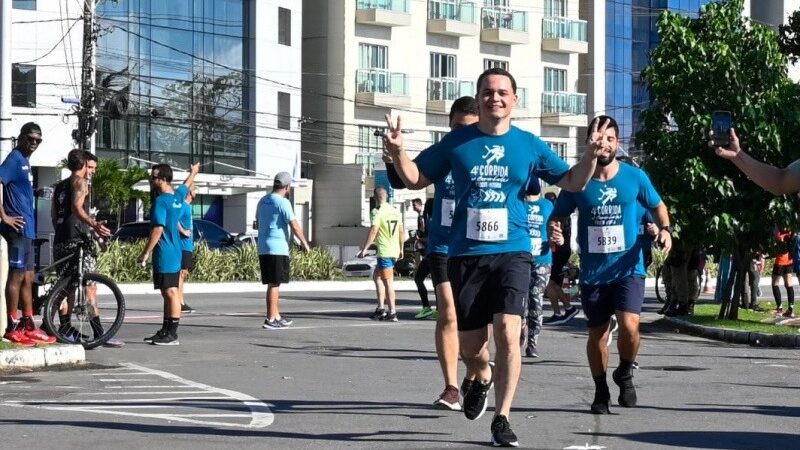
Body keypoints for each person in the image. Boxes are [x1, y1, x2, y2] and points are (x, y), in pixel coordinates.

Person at [386, 68, 601, 447]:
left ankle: (502, 417)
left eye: (503, 92)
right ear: (480, 97)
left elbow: (572, 182)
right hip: (466, 255)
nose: (495, 98)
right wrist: (398, 152)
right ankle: (481, 375)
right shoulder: (457, 143)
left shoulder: (529, 144)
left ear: (515, 100)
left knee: (508, 331)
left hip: (513, 252)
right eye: (488, 92)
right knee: (472, 348)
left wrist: (590, 156)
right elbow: (416, 178)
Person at [549, 115, 672, 415]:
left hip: (628, 267)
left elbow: (657, 205)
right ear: (588, 141)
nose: (603, 144)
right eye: (597, 138)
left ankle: (625, 371)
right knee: (598, 334)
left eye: (609, 139)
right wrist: (553, 227)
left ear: (618, 143)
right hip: (594, 272)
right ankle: (601, 387)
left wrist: (665, 229)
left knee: (630, 327)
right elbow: (557, 214)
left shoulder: (635, 177)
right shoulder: (577, 181)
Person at [385, 96, 480, 411]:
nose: (460, 135)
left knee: (476, 325)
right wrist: (394, 154)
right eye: (455, 128)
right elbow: (405, 179)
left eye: (467, 129)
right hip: (442, 247)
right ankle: (451, 387)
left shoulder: (489, 156)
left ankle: (475, 374)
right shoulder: (444, 153)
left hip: (478, 247)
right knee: (448, 313)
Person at [51, 150, 121, 346]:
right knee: (89, 287)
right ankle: (99, 333)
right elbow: (77, 208)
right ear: (83, 165)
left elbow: (53, 215)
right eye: (90, 167)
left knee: (67, 287)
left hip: (61, 240)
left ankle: (64, 329)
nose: (92, 172)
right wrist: (92, 224)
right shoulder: (80, 183)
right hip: (77, 241)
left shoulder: (59, 187)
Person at [1, 123, 55, 346]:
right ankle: (11, 327)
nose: (34, 143)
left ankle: (28, 323)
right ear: (21, 137)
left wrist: (36, 193)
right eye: (30, 138)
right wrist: (4, 216)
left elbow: (17, 189)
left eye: (38, 140)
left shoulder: (25, 161)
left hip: (29, 228)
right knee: (16, 275)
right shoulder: (14, 159)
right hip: (18, 228)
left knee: (29, 277)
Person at [138, 164, 189, 345]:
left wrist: (145, 253)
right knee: (167, 292)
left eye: (154, 177)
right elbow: (185, 186)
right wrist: (194, 172)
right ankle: (166, 329)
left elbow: (157, 229)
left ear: (163, 179)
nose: (152, 180)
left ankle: (172, 334)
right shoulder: (177, 197)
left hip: (165, 252)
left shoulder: (160, 202)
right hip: (174, 251)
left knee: (170, 292)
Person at [256, 172, 311, 329]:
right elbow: (294, 224)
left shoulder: (263, 200)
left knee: (274, 282)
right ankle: (270, 319)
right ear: (287, 187)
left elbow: (258, 222)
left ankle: (277, 315)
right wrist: (305, 243)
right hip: (277, 247)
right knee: (274, 283)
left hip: (264, 246)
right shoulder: (283, 202)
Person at [358, 186, 404, 322]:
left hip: (385, 251)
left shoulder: (377, 212)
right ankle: (381, 308)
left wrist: (365, 248)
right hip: (394, 250)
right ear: (387, 197)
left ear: (375, 198)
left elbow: (374, 230)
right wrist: (401, 249)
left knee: (388, 282)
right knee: (376, 276)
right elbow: (402, 231)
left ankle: (393, 312)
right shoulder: (395, 211)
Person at [523, 186, 553, 358]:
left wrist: (558, 236)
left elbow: (555, 226)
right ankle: (518, 328)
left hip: (542, 259)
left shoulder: (547, 205)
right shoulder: (518, 202)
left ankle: (532, 341)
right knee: (519, 300)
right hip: (519, 258)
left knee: (535, 296)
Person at [542, 205, 579, 326]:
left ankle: (566, 310)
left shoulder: (560, 216)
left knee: (550, 282)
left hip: (558, 251)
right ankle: (563, 311)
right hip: (560, 251)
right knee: (551, 283)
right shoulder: (563, 214)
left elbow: (557, 234)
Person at [411, 197, 435, 319]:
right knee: (421, 279)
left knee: (422, 278)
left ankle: (431, 308)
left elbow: (430, 238)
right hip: (432, 254)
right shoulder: (433, 219)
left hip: (434, 254)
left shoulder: (430, 220)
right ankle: (429, 308)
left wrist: (419, 239)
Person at [178, 185, 198, 314]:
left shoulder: (188, 207)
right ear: (190, 192)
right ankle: (179, 303)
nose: (197, 191)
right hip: (183, 246)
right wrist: (183, 231)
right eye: (195, 188)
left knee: (183, 274)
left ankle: (181, 301)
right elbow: (174, 219)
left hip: (188, 246)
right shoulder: (183, 206)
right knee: (181, 274)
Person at [771, 228, 794, 317]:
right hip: (789, 261)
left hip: (780, 261)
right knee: (789, 284)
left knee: (775, 283)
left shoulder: (778, 232)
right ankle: (790, 309)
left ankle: (780, 308)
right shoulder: (791, 232)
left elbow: (775, 242)